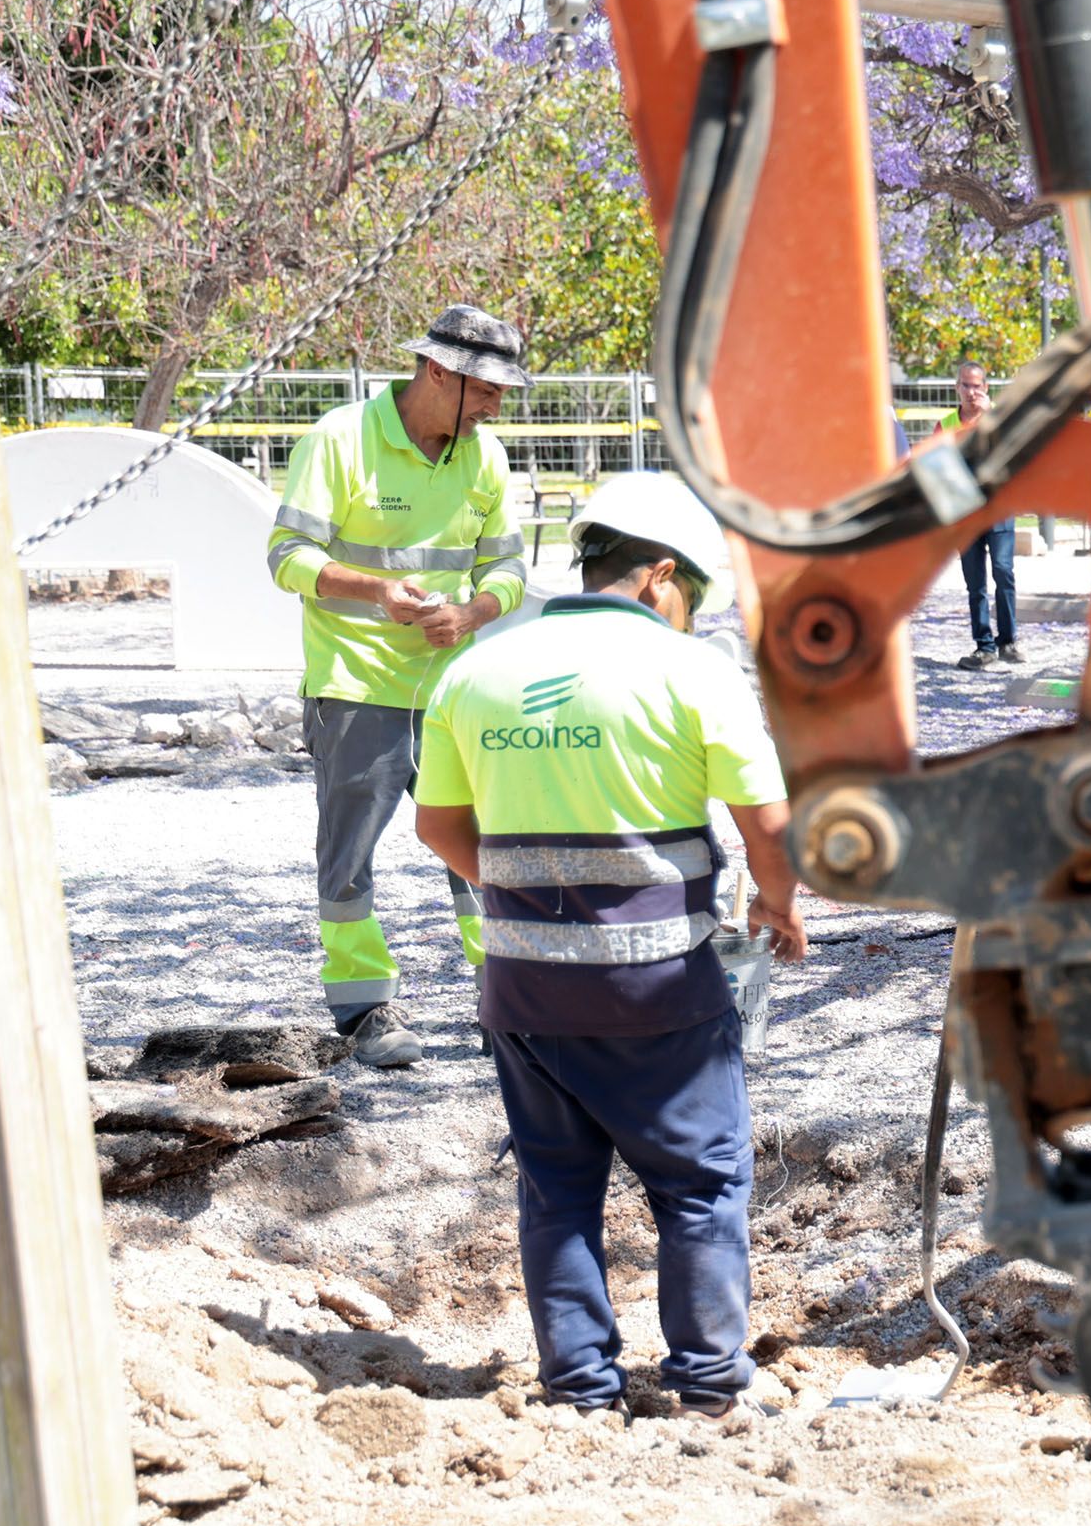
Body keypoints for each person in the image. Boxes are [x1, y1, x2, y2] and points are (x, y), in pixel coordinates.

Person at [411, 474, 807, 1417]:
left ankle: (580, 1385)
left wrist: (524, 895)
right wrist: (780, 910)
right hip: (657, 987)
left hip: (522, 991)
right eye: (691, 599)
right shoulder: (691, 671)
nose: (690, 616)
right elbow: (769, 827)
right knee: (701, 1181)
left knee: (555, 1184)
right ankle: (708, 1380)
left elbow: (436, 827)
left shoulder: (476, 668)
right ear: (658, 576)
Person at [264, 304, 531, 1066]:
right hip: (354, 687)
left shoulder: (487, 458)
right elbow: (286, 557)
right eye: (485, 389)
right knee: (348, 856)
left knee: (484, 846)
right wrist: (376, 589)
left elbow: (508, 568)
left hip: (456, 694)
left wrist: (473, 612)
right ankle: (364, 1009)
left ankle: (508, 996)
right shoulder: (338, 439)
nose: (494, 405)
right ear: (439, 372)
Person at [947, 359, 1020, 670]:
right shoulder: (947, 425)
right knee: (974, 583)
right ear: (957, 388)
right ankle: (984, 646)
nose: (971, 391)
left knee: (1003, 572)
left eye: (977, 385)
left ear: (986, 388)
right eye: (966, 385)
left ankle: (1008, 641)